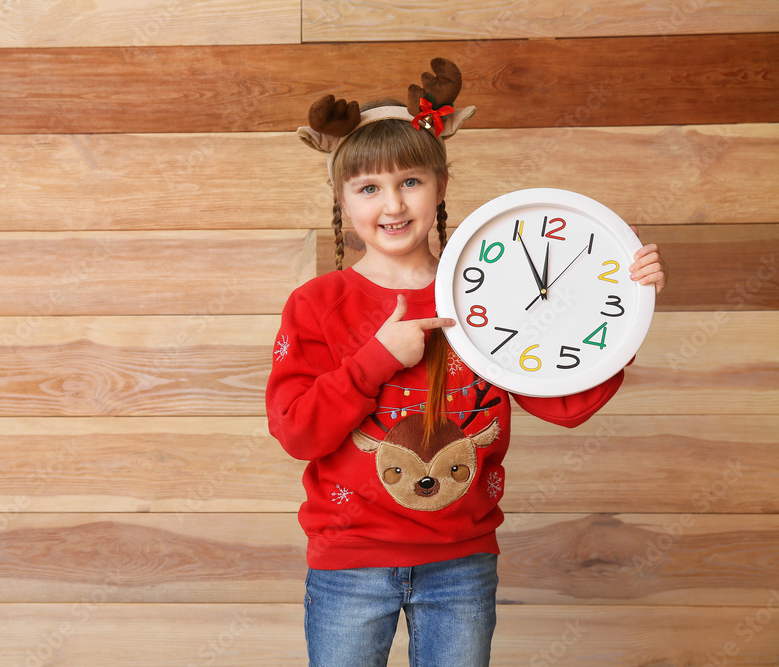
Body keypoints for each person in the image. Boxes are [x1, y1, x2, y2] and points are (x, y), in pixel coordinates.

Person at [265, 58, 666, 666]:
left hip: (461, 561)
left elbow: (565, 406)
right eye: (369, 187)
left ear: (441, 185)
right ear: (343, 199)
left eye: (410, 182)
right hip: (349, 561)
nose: (392, 204)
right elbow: (297, 430)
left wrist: (625, 311)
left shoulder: (490, 291)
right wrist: (376, 360)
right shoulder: (318, 304)